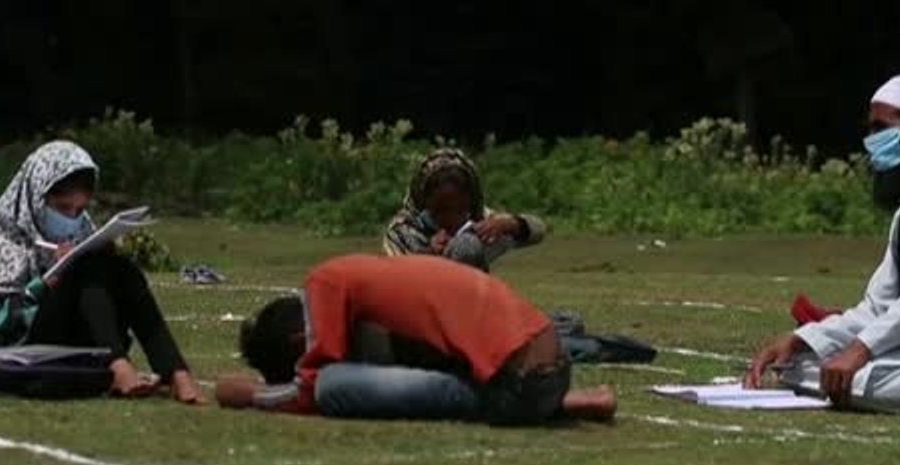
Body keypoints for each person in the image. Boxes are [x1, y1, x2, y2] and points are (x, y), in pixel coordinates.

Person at [746, 73, 900, 416]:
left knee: (859, 377)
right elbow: (878, 307)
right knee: (800, 368)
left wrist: (862, 349)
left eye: (881, 128)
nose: (871, 141)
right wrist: (803, 339)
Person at [217, 254, 617, 425]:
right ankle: (566, 404)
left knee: (330, 385)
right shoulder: (367, 280)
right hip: (549, 375)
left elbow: (308, 391)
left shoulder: (326, 281)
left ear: (297, 338)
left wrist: (251, 395)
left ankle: (553, 406)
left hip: (519, 389)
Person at [0, 140, 203, 402]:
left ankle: (174, 371)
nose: (72, 218)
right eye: (63, 208)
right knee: (83, 266)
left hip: (73, 341)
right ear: (37, 197)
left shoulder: (81, 228)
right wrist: (48, 283)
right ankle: (117, 366)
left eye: (80, 210)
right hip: (17, 350)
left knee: (120, 267)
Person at [383, 148, 546, 271]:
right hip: (422, 307)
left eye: (459, 210)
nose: (451, 218)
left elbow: (538, 230)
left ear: (469, 202)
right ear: (425, 202)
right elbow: (401, 275)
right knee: (465, 246)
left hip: (473, 304)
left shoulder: (481, 222)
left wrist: (509, 224)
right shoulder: (402, 230)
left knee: (466, 245)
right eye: (441, 211)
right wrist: (430, 253)